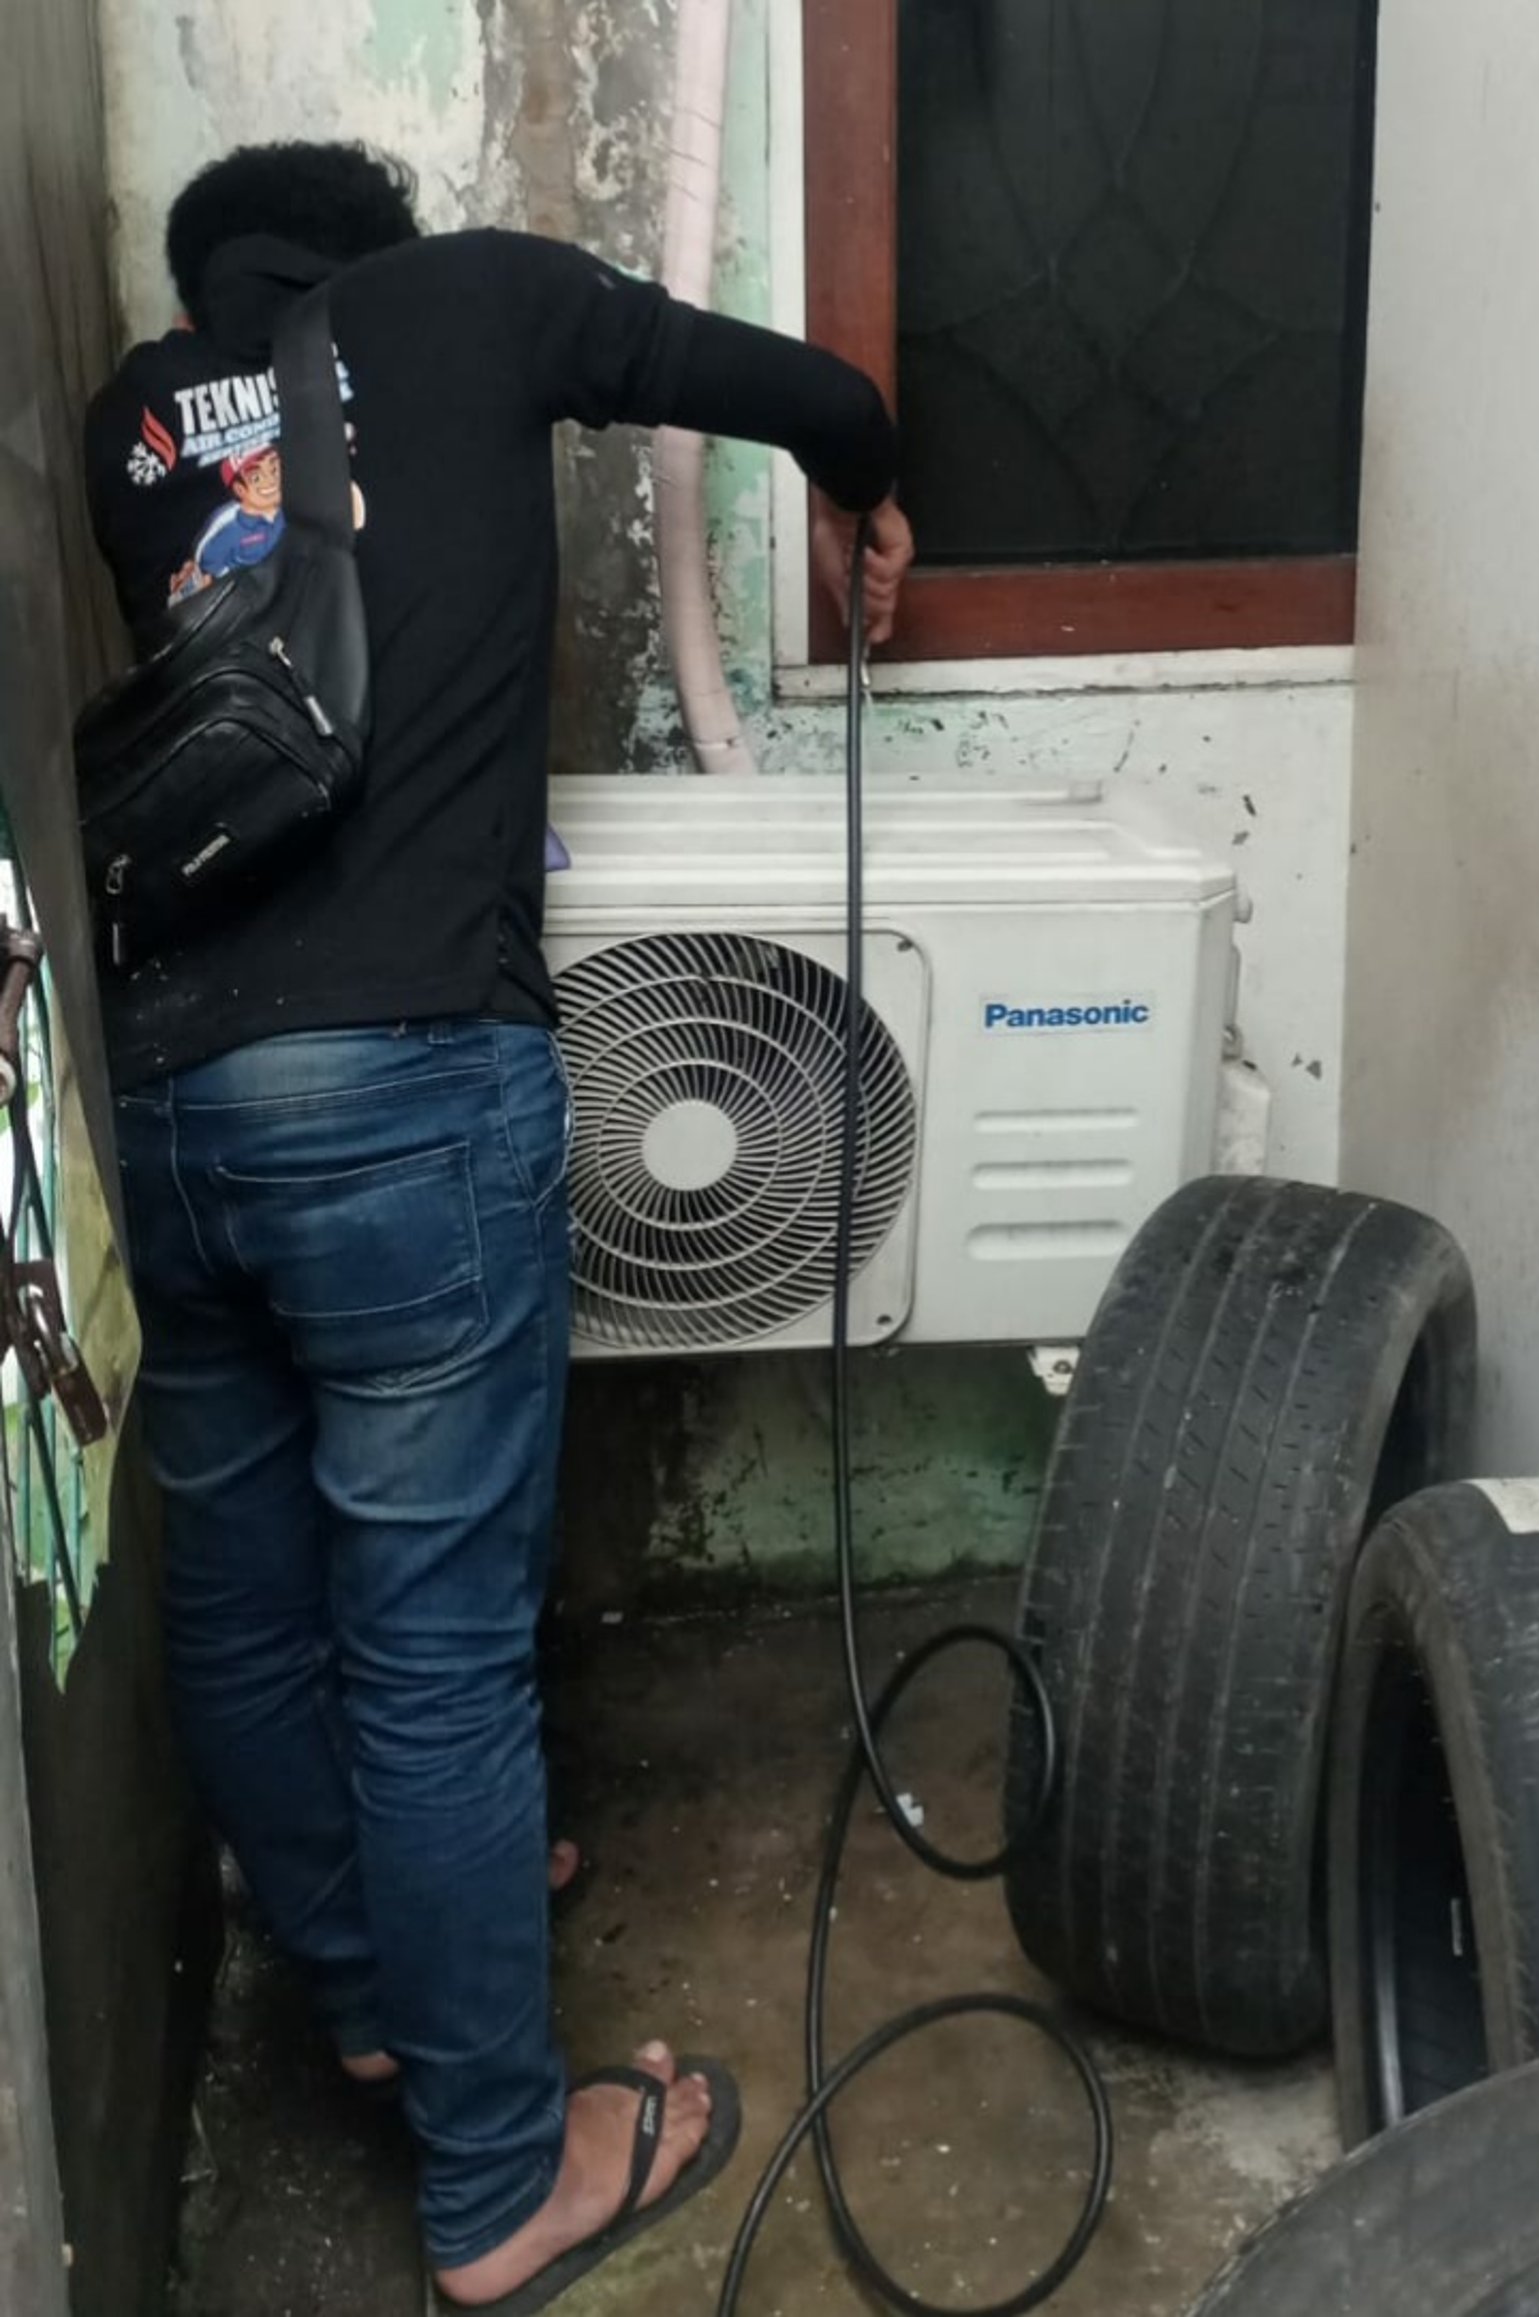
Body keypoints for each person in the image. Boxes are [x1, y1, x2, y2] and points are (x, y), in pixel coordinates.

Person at [82, 139, 913, 2312]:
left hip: (160, 1105)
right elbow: (804, 391)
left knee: (246, 1611)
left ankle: (372, 1988)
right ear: (383, 248)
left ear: (208, 284)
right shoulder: (476, 302)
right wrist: (867, 484)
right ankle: (497, 2180)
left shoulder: (132, 424)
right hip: (404, 1086)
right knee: (436, 1658)